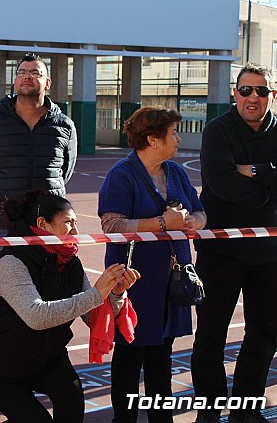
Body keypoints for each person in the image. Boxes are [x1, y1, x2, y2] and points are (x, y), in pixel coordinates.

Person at [0, 190, 140, 422]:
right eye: (68, 223)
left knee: (72, 396)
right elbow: (36, 316)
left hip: (45, 356)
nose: (76, 232)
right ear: (42, 224)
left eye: (76, 223)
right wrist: (97, 294)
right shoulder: (11, 263)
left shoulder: (71, 264)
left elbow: (93, 317)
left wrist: (116, 294)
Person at [98, 106, 206, 423]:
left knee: (162, 355)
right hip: (133, 280)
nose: (178, 138)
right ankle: (125, 418)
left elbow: (200, 212)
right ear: (153, 139)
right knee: (131, 354)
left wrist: (191, 222)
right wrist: (161, 222)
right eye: (173, 133)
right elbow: (112, 226)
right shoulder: (122, 174)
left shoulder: (176, 173)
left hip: (171, 278)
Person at [191, 62, 277, 423]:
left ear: (272, 96)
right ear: (234, 93)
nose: (252, 97)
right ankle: (209, 412)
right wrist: (270, 188)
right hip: (220, 252)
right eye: (246, 90)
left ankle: (247, 410)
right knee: (211, 335)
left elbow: (238, 181)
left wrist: (255, 171)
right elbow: (223, 183)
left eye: (260, 91)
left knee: (265, 333)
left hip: (271, 256)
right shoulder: (217, 131)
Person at [0, 53, 77, 236]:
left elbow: (65, 171)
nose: (27, 76)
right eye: (22, 72)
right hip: (4, 223)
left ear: (48, 83)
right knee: (4, 265)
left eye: (35, 72)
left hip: (50, 223)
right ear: (15, 82)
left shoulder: (64, 126)